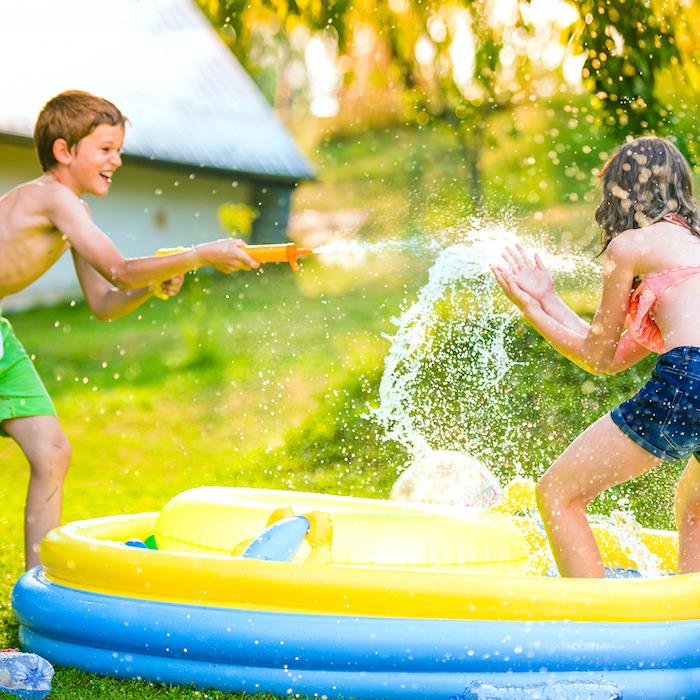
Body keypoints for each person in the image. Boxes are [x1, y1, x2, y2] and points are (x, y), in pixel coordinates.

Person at [0, 90, 260, 569]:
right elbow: (118, 269)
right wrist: (200, 253)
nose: (116, 160)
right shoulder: (52, 197)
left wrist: (153, 284)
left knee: (52, 451)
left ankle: (36, 589)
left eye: (118, 149)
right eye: (105, 149)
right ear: (64, 151)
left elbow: (103, 301)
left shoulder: (72, 210)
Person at [491, 135, 700, 578]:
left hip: (689, 379)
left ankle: (596, 632)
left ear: (621, 194)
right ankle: (689, 622)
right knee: (695, 506)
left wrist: (531, 309)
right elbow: (615, 351)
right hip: (692, 370)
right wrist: (548, 298)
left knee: (557, 494)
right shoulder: (688, 253)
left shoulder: (630, 247)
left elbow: (597, 360)